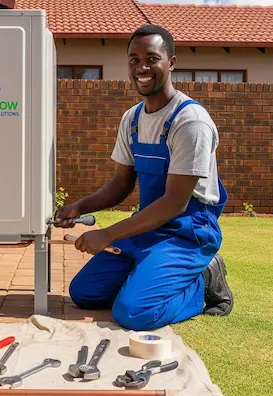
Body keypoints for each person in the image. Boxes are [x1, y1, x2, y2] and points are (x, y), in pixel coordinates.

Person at [53, 24, 234, 331]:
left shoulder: (190, 122)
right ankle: (148, 273)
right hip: (148, 226)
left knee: (134, 313)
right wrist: (79, 208)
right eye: (134, 60)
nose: (141, 67)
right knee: (83, 293)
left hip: (187, 232)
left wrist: (108, 235)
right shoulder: (132, 119)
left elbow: (175, 204)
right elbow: (121, 184)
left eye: (151, 58)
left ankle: (203, 280)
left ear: (171, 62)